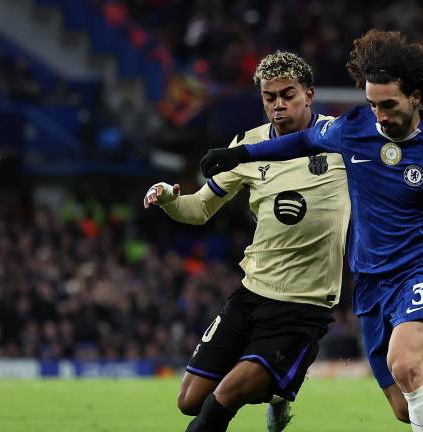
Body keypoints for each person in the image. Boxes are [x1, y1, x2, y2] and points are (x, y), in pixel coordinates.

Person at [199, 30, 423, 432]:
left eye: (389, 105)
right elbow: (302, 142)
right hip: (371, 284)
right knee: (407, 407)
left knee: (406, 364)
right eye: (373, 104)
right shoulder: (355, 128)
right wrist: (240, 154)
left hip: (420, 272)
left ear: (416, 98)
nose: (380, 115)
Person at [143, 51, 350, 432]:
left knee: (223, 400)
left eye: (288, 95)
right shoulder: (246, 145)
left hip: (303, 303)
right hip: (252, 293)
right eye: (269, 97)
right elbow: (199, 209)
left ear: (309, 94)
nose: (278, 105)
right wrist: (170, 199)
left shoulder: (341, 139)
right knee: (189, 400)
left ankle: (276, 379)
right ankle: (278, 390)